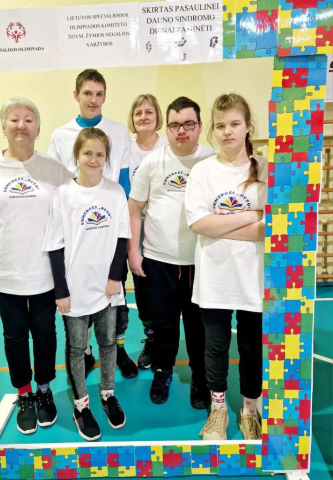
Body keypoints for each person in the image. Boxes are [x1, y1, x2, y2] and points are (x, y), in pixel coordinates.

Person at [0, 97, 72, 434]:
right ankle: (24, 393)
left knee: (44, 332)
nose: (21, 125)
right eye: (14, 119)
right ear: (3, 128)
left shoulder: (55, 170)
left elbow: (72, 216)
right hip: (3, 269)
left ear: (38, 129)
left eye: (29, 119)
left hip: (44, 272)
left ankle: (44, 389)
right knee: (14, 335)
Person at [184, 93, 267, 440]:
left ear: (248, 126)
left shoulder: (265, 169)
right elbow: (199, 223)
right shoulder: (202, 171)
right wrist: (252, 214)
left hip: (253, 276)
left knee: (251, 347)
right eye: (220, 126)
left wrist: (221, 224)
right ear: (213, 130)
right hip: (214, 277)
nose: (227, 131)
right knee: (215, 346)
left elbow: (269, 229)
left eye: (234, 123)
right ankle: (218, 409)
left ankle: (250, 409)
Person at [43, 127, 131, 441]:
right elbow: (55, 246)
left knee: (108, 343)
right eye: (87, 153)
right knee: (77, 348)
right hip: (75, 290)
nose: (93, 159)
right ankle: (81, 406)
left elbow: (122, 238)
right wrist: (61, 291)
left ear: (107, 158)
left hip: (107, 288)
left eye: (100, 154)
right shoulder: (63, 194)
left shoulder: (115, 193)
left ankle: (107, 394)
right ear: (77, 155)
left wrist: (115, 278)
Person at [49, 69, 137, 379]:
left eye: (99, 94)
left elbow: (124, 181)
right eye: (87, 93)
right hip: (78, 235)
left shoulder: (118, 132)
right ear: (76, 95)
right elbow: (57, 185)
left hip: (109, 233)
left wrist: (121, 229)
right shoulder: (60, 135)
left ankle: (118, 349)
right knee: (79, 300)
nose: (93, 100)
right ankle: (84, 352)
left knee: (115, 297)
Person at [128, 96, 214, 407]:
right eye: (175, 125)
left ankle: (200, 377)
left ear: (200, 126)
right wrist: (133, 252)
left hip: (201, 262)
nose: (182, 131)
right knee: (163, 326)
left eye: (188, 124)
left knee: (198, 328)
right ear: (168, 128)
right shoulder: (152, 162)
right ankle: (163, 371)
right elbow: (134, 209)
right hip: (158, 261)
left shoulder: (212, 161)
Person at [127, 94, 168, 370]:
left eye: (149, 112)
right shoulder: (125, 151)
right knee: (142, 290)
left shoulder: (169, 146)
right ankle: (151, 338)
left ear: (158, 117)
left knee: (166, 292)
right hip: (136, 230)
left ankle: (167, 342)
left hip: (166, 231)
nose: (143, 117)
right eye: (138, 112)